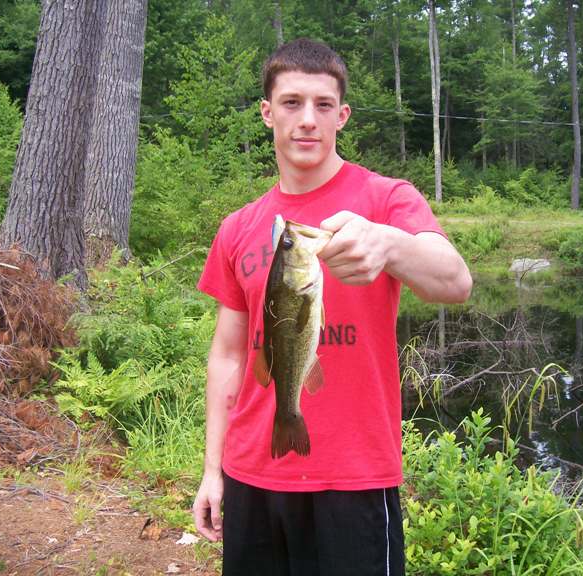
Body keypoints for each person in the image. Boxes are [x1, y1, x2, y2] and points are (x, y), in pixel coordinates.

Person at [192, 38, 472, 576]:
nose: (307, 120)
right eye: (291, 103)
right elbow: (228, 356)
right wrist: (212, 470)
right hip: (251, 472)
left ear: (342, 116)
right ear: (267, 113)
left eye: (323, 105)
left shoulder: (386, 199)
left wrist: (389, 244)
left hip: (354, 476)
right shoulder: (238, 227)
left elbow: (455, 281)